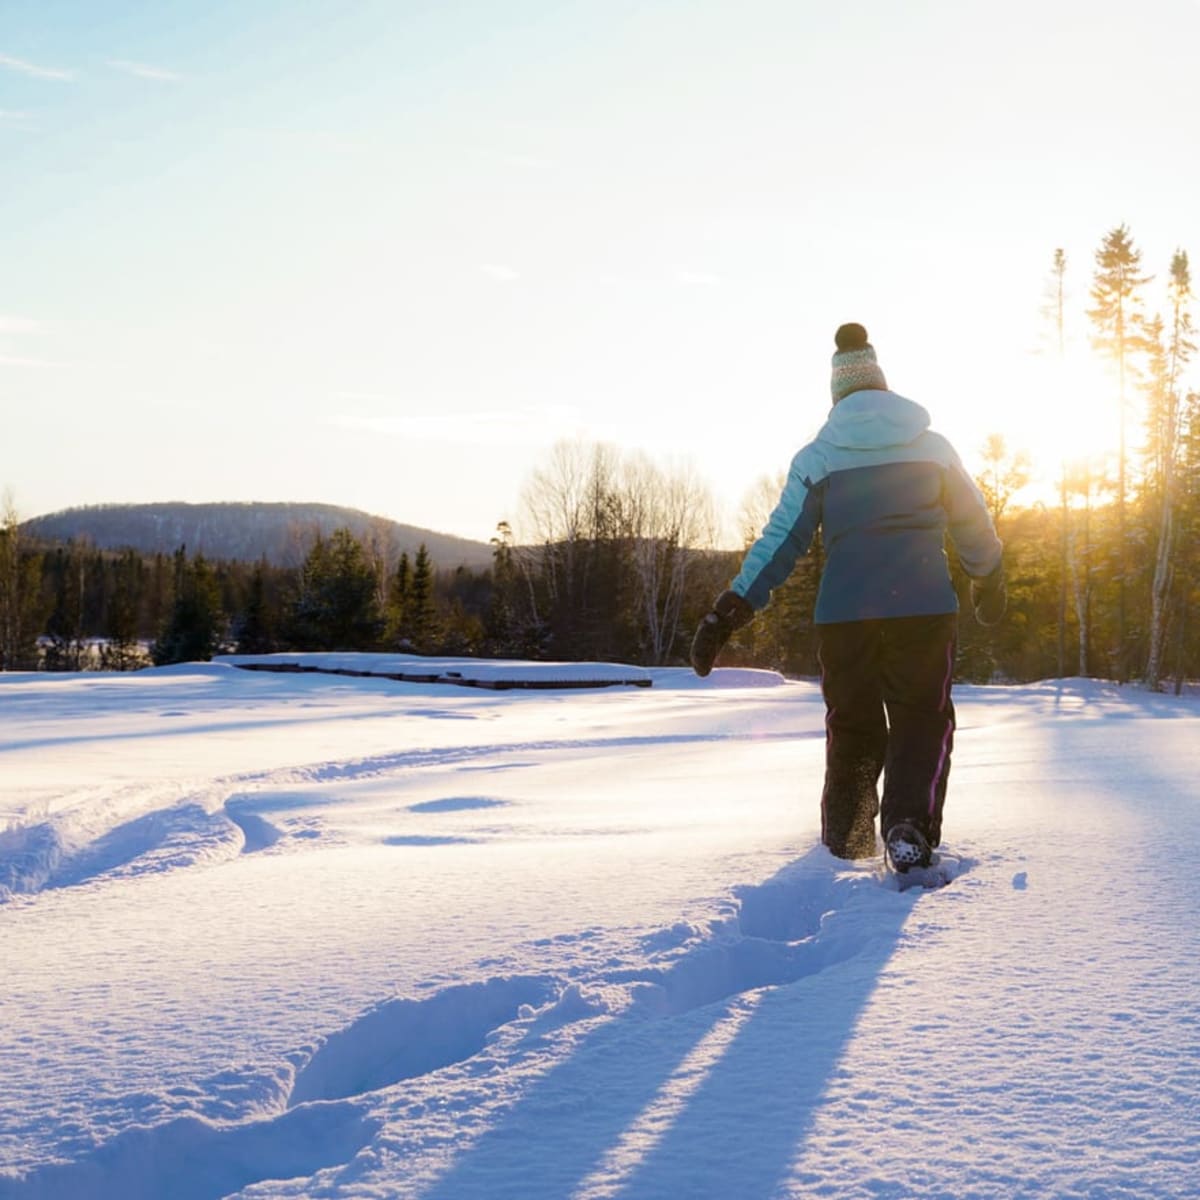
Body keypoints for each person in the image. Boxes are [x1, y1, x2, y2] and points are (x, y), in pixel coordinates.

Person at [691, 322, 1005, 873]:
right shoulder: (933, 448)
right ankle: (909, 826)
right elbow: (974, 522)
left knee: (854, 724)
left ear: (837, 394)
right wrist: (988, 576)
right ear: (883, 385)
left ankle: (847, 838)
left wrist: (729, 610)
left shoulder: (817, 458)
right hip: (923, 610)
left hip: (846, 616)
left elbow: (779, 542)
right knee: (921, 720)